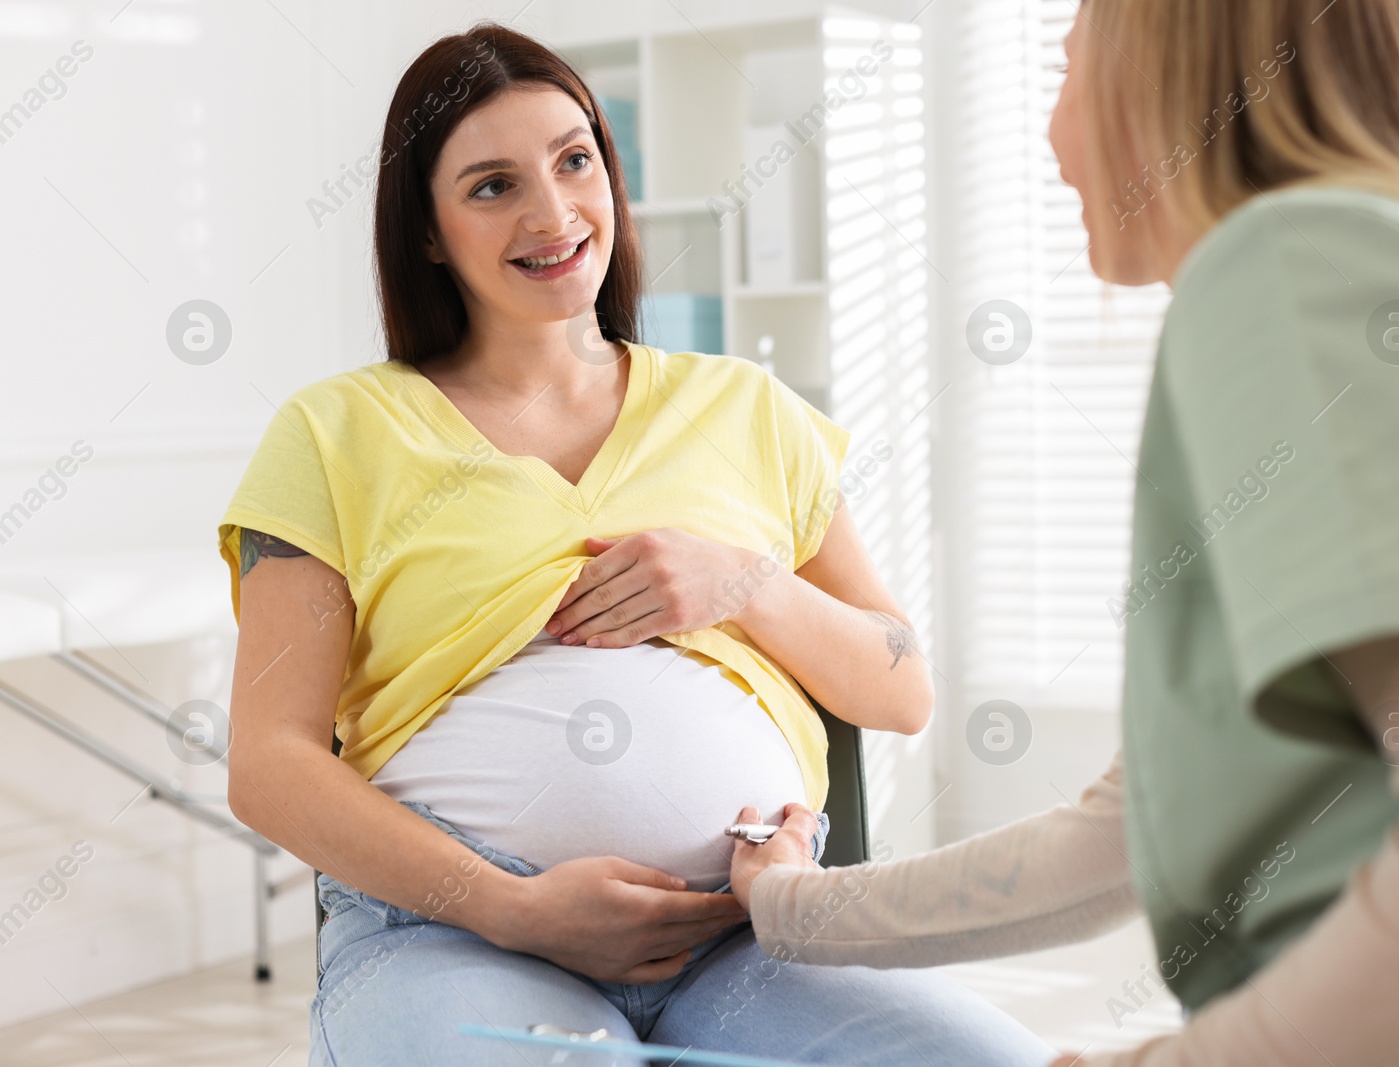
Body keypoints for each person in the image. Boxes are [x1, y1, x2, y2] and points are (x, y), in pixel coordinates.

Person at [730, 2, 1399, 1063]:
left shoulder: (1293, 264)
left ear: (1165, 69)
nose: (1050, 140)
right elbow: (1118, 838)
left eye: (1064, 69)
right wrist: (789, 905)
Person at [220, 21, 1053, 1067]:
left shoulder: (747, 408)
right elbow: (269, 762)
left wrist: (742, 581)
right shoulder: (335, 433)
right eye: (492, 185)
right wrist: (512, 905)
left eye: (575, 161)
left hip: (743, 933)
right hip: (451, 933)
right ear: (426, 231)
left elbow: (901, 687)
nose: (554, 211)